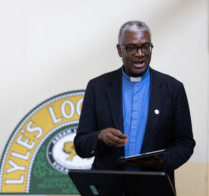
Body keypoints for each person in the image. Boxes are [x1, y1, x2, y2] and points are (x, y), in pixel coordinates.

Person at [74, 20, 195, 188]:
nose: (140, 53)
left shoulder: (173, 89)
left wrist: (161, 161)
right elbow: (80, 145)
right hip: (108, 187)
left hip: (153, 187)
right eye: (132, 47)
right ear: (119, 50)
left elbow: (185, 143)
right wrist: (100, 137)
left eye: (145, 47)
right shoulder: (97, 87)